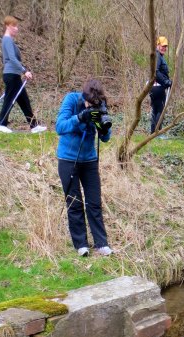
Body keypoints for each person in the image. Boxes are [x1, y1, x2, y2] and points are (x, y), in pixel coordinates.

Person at [55, 78, 113, 257]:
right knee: (74, 202)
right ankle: (81, 244)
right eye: (89, 103)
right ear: (84, 96)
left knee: (94, 202)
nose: (91, 106)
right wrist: (79, 117)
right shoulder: (71, 100)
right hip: (68, 159)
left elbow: (105, 138)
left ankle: (101, 243)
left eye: (95, 104)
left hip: (89, 160)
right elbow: (59, 126)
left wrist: (103, 127)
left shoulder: (100, 105)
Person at [0, 16, 47, 134]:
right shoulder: (7, 39)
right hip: (11, 75)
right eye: (14, 26)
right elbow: (12, 59)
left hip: (13, 74)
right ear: (8, 26)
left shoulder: (8, 40)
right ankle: (0, 124)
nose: (17, 29)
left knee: (24, 101)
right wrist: (24, 71)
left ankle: (34, 126)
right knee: (9, 99)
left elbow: (6, 59)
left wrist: (19, 71)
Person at [150, 36, 171, 134]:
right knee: (159, 110)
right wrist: (166, 82)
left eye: (165, 46)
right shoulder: (158, 56)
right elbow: (156, 72)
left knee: (156, 109)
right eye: (162, 46)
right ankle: (157, 133)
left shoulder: (158, 56)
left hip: (155, 87)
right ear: (157, 45)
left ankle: (153, 132)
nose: (164, 48)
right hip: (158, 87)